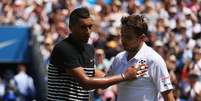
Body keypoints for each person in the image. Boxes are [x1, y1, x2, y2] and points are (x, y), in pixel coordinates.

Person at [47, 7, 146, 101]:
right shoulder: (63, 49)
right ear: (71, 27)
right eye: (83, 27)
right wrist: (125, 76)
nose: (88, 32)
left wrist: (133, 74)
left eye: (90, 27)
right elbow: (85, 83)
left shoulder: (89, 49)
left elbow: (103, 81)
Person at [107, 14, 175, 101]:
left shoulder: (154, 60)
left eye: (128, 37)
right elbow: (104, 82)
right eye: (122, 35)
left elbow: (169, 98)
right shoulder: (118, 58)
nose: (123, 40)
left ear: (142, 38)